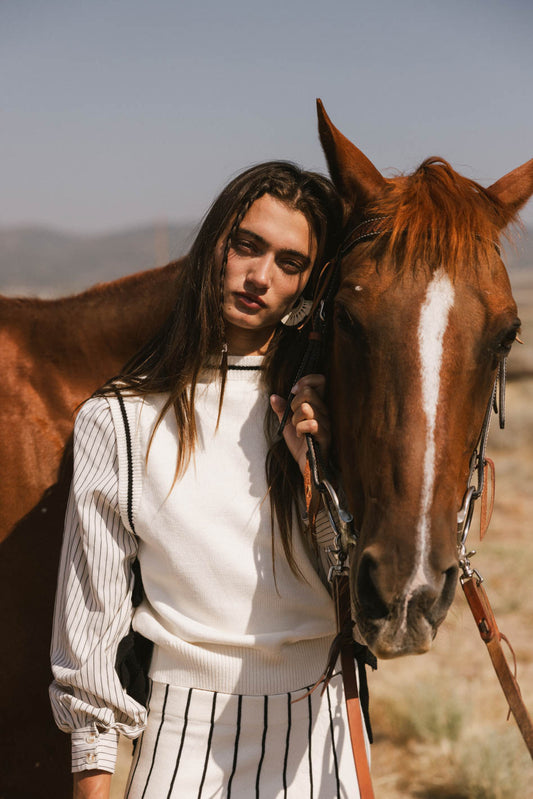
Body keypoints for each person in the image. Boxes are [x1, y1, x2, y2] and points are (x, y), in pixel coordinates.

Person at [50, 161, 367, 798]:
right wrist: (94, 782)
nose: (260, 277)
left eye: (289, 262)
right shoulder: (120, 420)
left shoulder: (335, 416)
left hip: (324, 733)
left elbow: (369, 601)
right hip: (179, 740)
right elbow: (90, 627)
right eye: (247, 246)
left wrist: (320, 476)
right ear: (213, 246)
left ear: (308, 283)